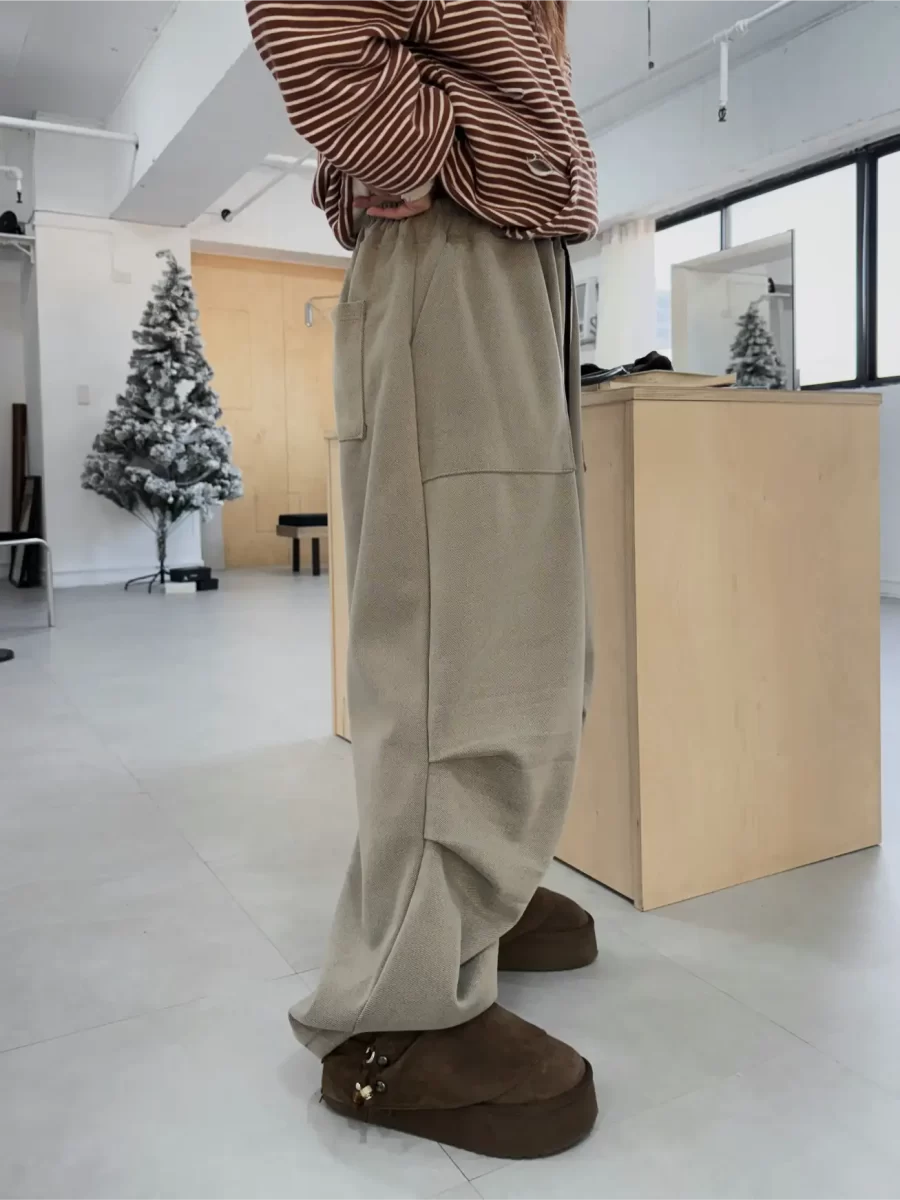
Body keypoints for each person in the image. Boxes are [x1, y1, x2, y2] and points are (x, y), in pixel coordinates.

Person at [246, 0, 600, 1160]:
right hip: (456, 243)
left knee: (522, 622)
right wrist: (437, 153)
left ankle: (473, 896)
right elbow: (308, 20)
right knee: (456, 635)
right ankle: (395, 1012)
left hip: (507, 253)